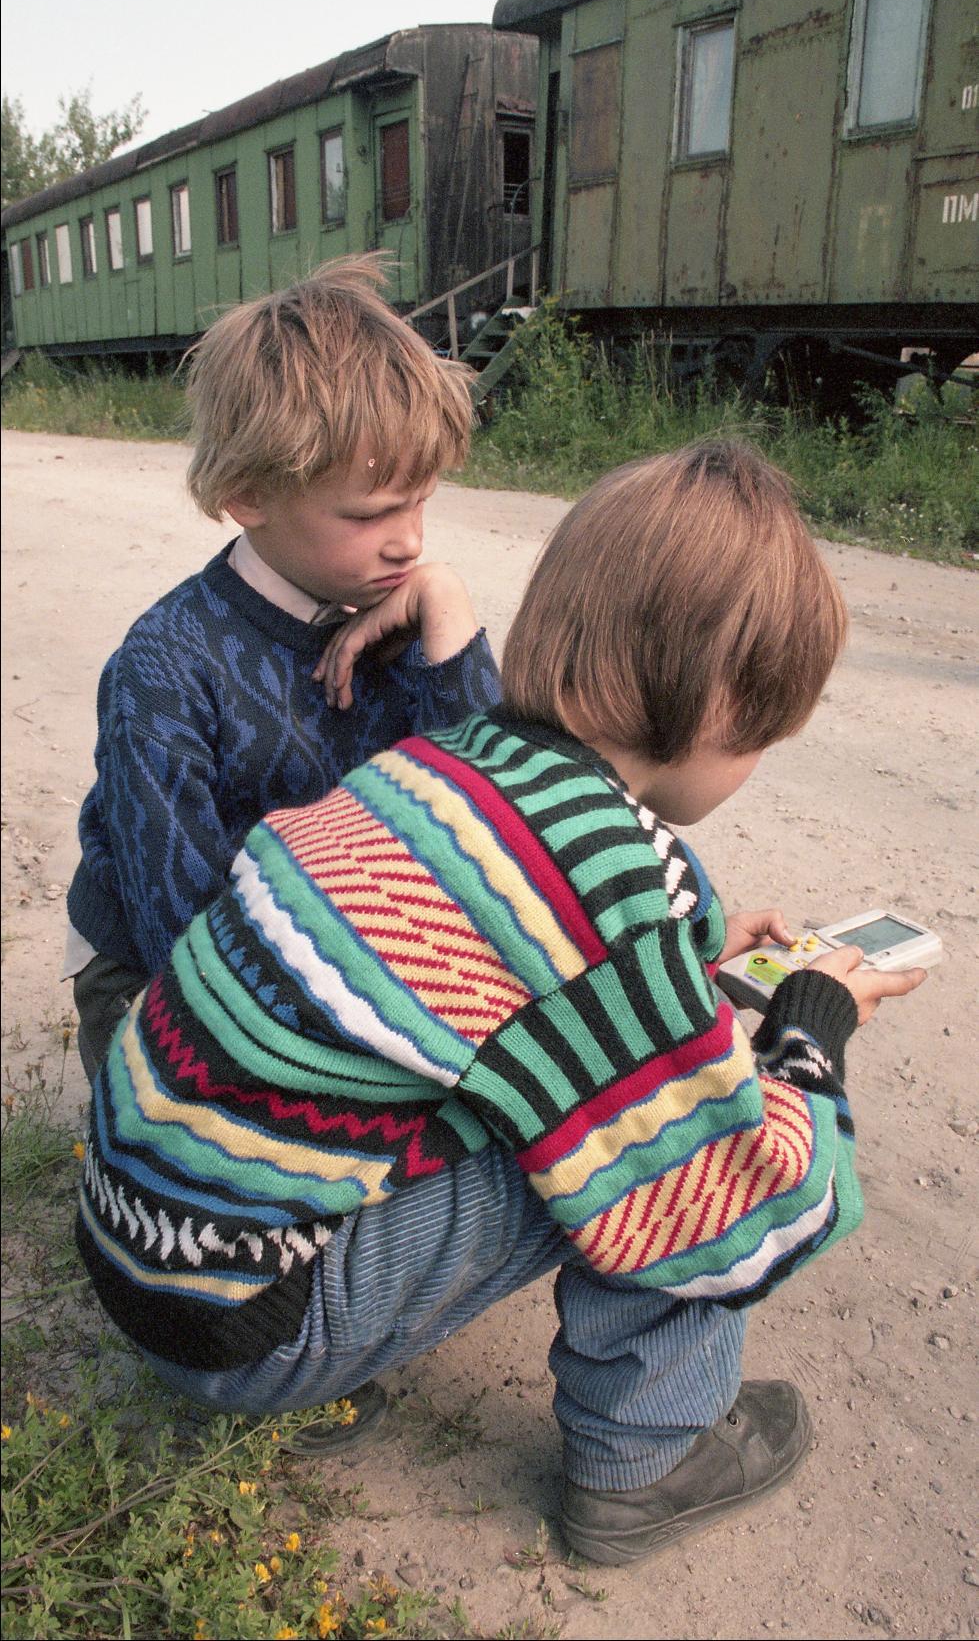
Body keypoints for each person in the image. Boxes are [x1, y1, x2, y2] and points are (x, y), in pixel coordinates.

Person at [75, 441, 926, 1567]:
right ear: (726, 707)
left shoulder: (436, 767)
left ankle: (335, 1337)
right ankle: (647, 1457)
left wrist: (687, 950)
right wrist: (812, 1021)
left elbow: (503, 931)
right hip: (244, 1332)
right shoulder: (622, 880)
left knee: (617, 1046)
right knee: (672, 1122)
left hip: (142, 1260)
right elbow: (747, 1182)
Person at [65, 256, 500, 1082]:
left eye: (422, 502)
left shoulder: (404, 611)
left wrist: (448, 616)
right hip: (167, 965)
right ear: (248, 494)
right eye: (370, 515)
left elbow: (495, 819)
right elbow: (175, 926)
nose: (410, 542)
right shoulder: (167, 668)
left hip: (337, 944)